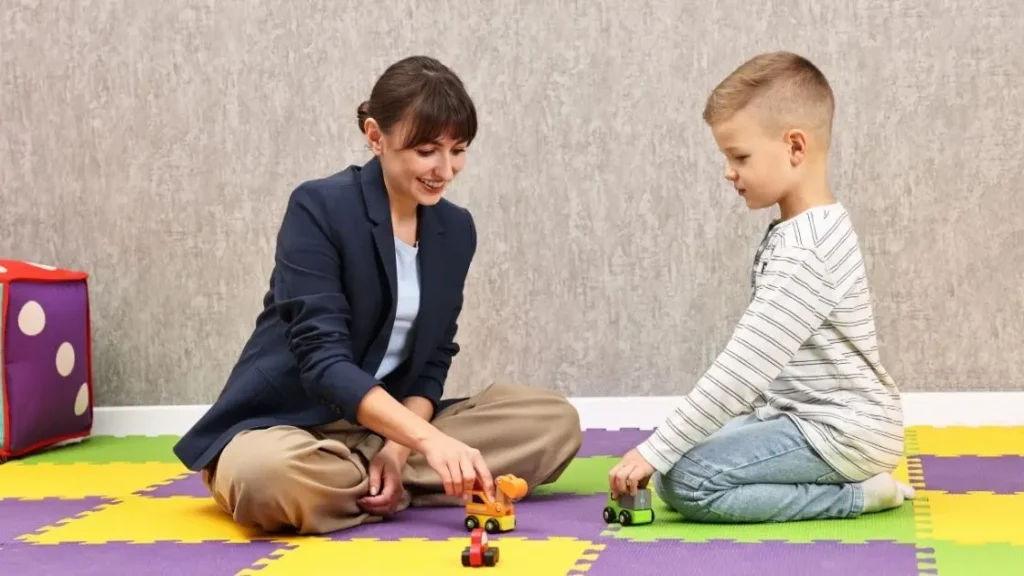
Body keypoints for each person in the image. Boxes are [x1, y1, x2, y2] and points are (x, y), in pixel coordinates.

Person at [173, 55, 582, 535]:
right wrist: (430, 443)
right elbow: (323, 363)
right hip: (288, 426)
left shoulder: (456, 230)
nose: (445, 170)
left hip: (383, 428)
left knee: (553, 421)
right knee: (266, 477)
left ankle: (376, 477)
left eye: (459, 150)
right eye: (428, 150)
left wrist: (400, 446)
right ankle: (408, 481)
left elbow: (432, 362)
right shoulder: (319, 207)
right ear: (375, 136)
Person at [608, 51, 914, 523]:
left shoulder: (807, 250)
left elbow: (742, 369)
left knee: (685, 478)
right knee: (677, 456)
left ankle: (859, 496)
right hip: (803, 418)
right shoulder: (804, 229)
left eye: (740, 156)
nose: (729, 171)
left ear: (795, 147)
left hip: (841, 432)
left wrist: (659, 449)